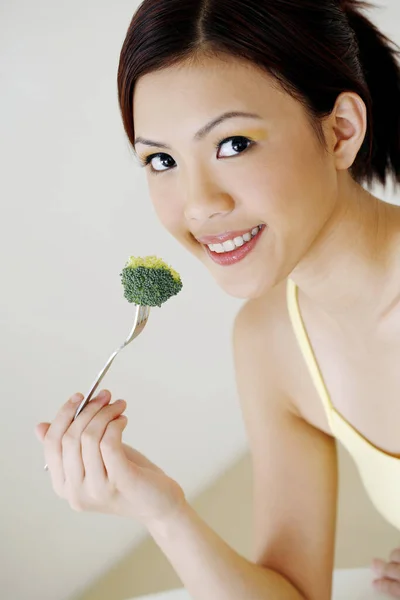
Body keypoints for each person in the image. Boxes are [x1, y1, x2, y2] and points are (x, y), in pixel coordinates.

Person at [35, 0, 400, 598]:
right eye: (162, 160)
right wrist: (163, 512)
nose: (198, 203)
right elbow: (296, 592)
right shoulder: (270, 342)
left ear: (340, 131)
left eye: (232, 144)